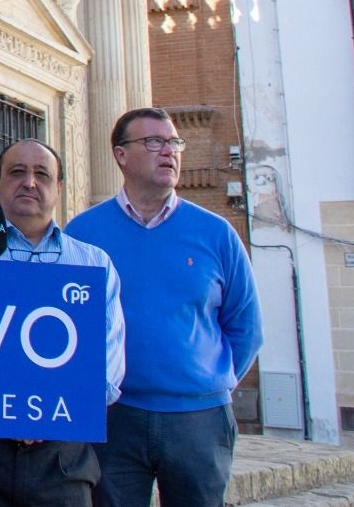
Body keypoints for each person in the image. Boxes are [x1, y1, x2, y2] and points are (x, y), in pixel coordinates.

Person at [67, 108, 263, 507]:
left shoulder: (216, 234)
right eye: (153, 142)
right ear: (121, 155)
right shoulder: (83, 234)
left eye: (174, 142)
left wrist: (209, 381)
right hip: (112, 418)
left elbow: (246, 326)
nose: (169, 152)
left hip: (199, 419)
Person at [0, 139, 124, 507]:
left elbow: (108, 360)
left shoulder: (93, 263)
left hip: (61, 457)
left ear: (59, 187)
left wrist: (48, 414)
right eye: (16, 172)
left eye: (42, 174)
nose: (29, 182)